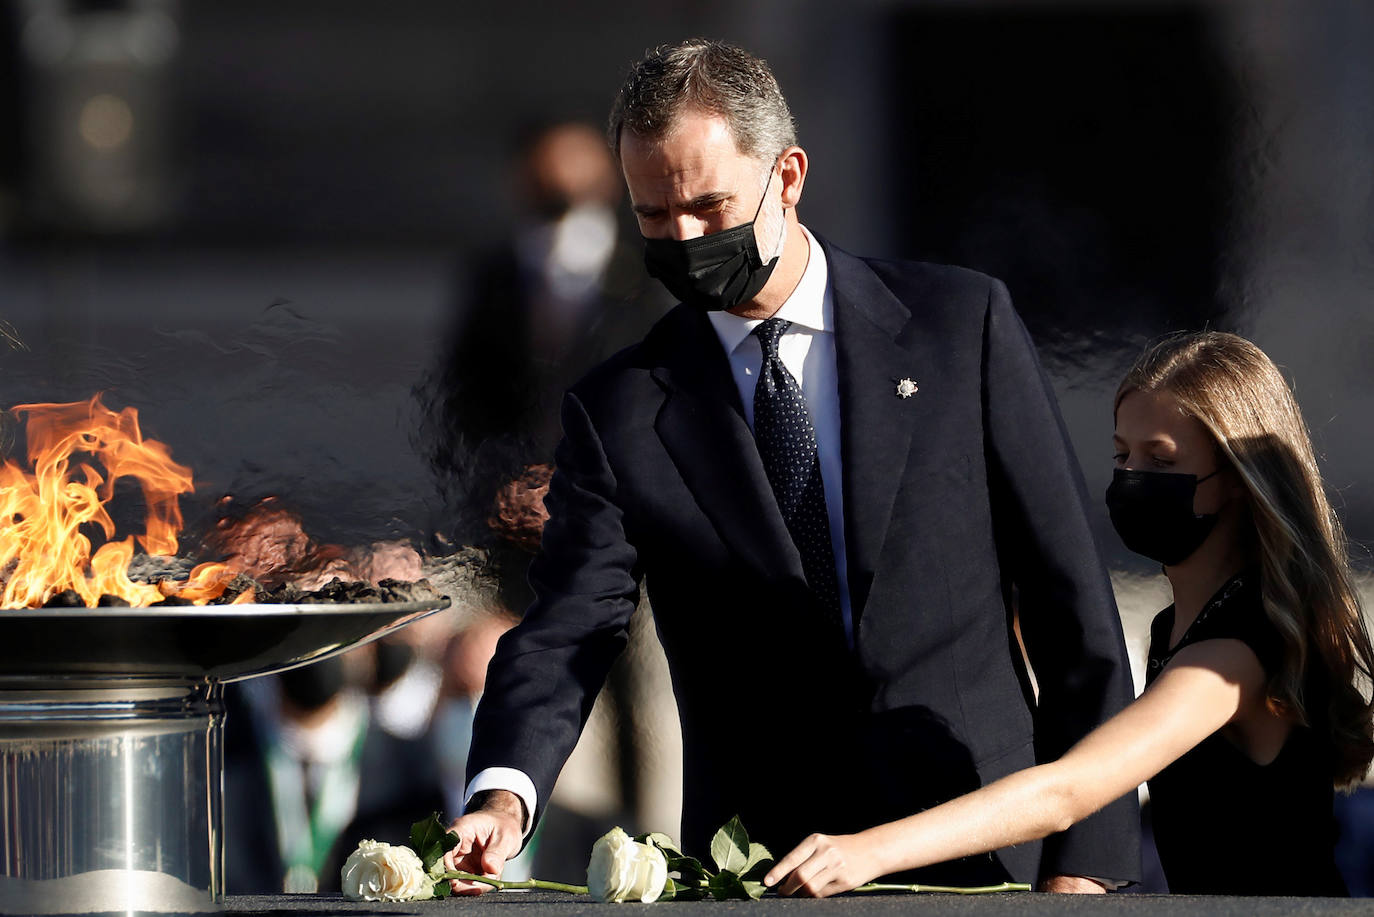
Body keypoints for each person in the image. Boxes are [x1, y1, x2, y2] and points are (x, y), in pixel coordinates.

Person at [442, 38, 1140, 893]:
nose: (686, 238)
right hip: (764, 869)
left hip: (984, 849)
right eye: (654, 217)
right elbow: (568, 629)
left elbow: (1074, 607)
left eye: (709, 205)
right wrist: (504, 794)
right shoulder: (623, 407)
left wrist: (1089, 869)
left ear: (788, 177)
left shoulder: (959, 328)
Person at [765, 331, 1374, 897]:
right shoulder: (1177, 627)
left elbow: (1070, 790)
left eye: (1161, 461)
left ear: (1239, 480)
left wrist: (865, 853)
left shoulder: (1234, 652)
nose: (1132, 478)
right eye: (1121, 456)